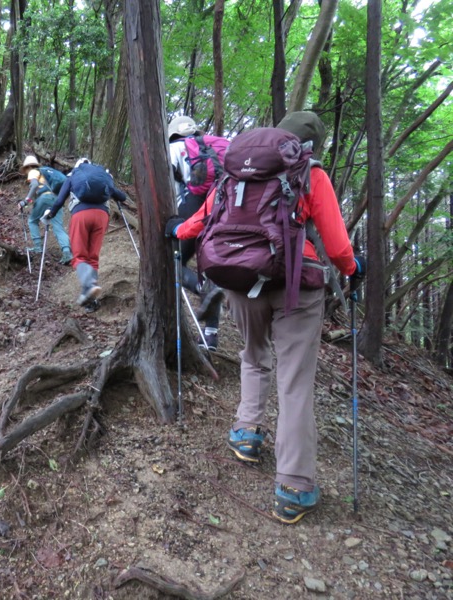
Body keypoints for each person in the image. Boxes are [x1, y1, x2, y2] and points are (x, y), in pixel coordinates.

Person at [170, 111, 366, 524]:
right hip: (296, 287)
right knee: (293, 381)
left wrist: (175, 229)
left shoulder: (234, 176)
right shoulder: (309, 174)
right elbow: (336, 245)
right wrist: (353, 270)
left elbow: (199, 222)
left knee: (253, 355)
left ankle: (246, 434)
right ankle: (293, 486)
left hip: (240, 280)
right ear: (308, 147)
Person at [168, 116, 229, 351]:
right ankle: (210, 337)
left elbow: (173, 193)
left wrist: (174, 223)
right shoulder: (218, 145)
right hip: (227, 209)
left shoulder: (174, 148)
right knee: (209, 266)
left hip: (195, 209)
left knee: (172, 262)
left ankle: (203, 288)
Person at [42, 158, 126, 313]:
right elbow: (122, 197)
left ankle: (89, 286)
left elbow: (60, 199)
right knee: (93, 257)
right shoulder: (102, 176)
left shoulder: (74, 174)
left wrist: (51, 213)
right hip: (102, 216)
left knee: (80, 256)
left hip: (81, 215)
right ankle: (90, 301)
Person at [18, 156, 73, 265]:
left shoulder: (33, 171)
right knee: (58, 226)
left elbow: (34, 186)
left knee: (32, 220)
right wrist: (30, 201)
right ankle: (67, 252)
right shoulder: (46, 173)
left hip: (44, 198)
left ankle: (38, 247)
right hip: (57, 200)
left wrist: (25, 201)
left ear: (28, 167)